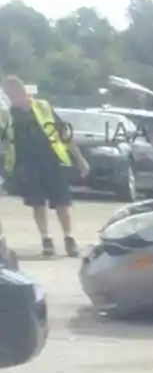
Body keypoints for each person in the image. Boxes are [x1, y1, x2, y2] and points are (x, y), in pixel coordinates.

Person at [1, 75, 87, 257]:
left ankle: (69, 238)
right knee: (37, 204)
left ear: (22, 90)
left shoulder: (43, 107)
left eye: (12, 92)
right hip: (27, 166)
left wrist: (80, 159)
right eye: (7, 94)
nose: (10, 97)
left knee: (62, 203)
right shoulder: (9, 115)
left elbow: (64, 134)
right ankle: (46, 240)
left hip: (51, 162)